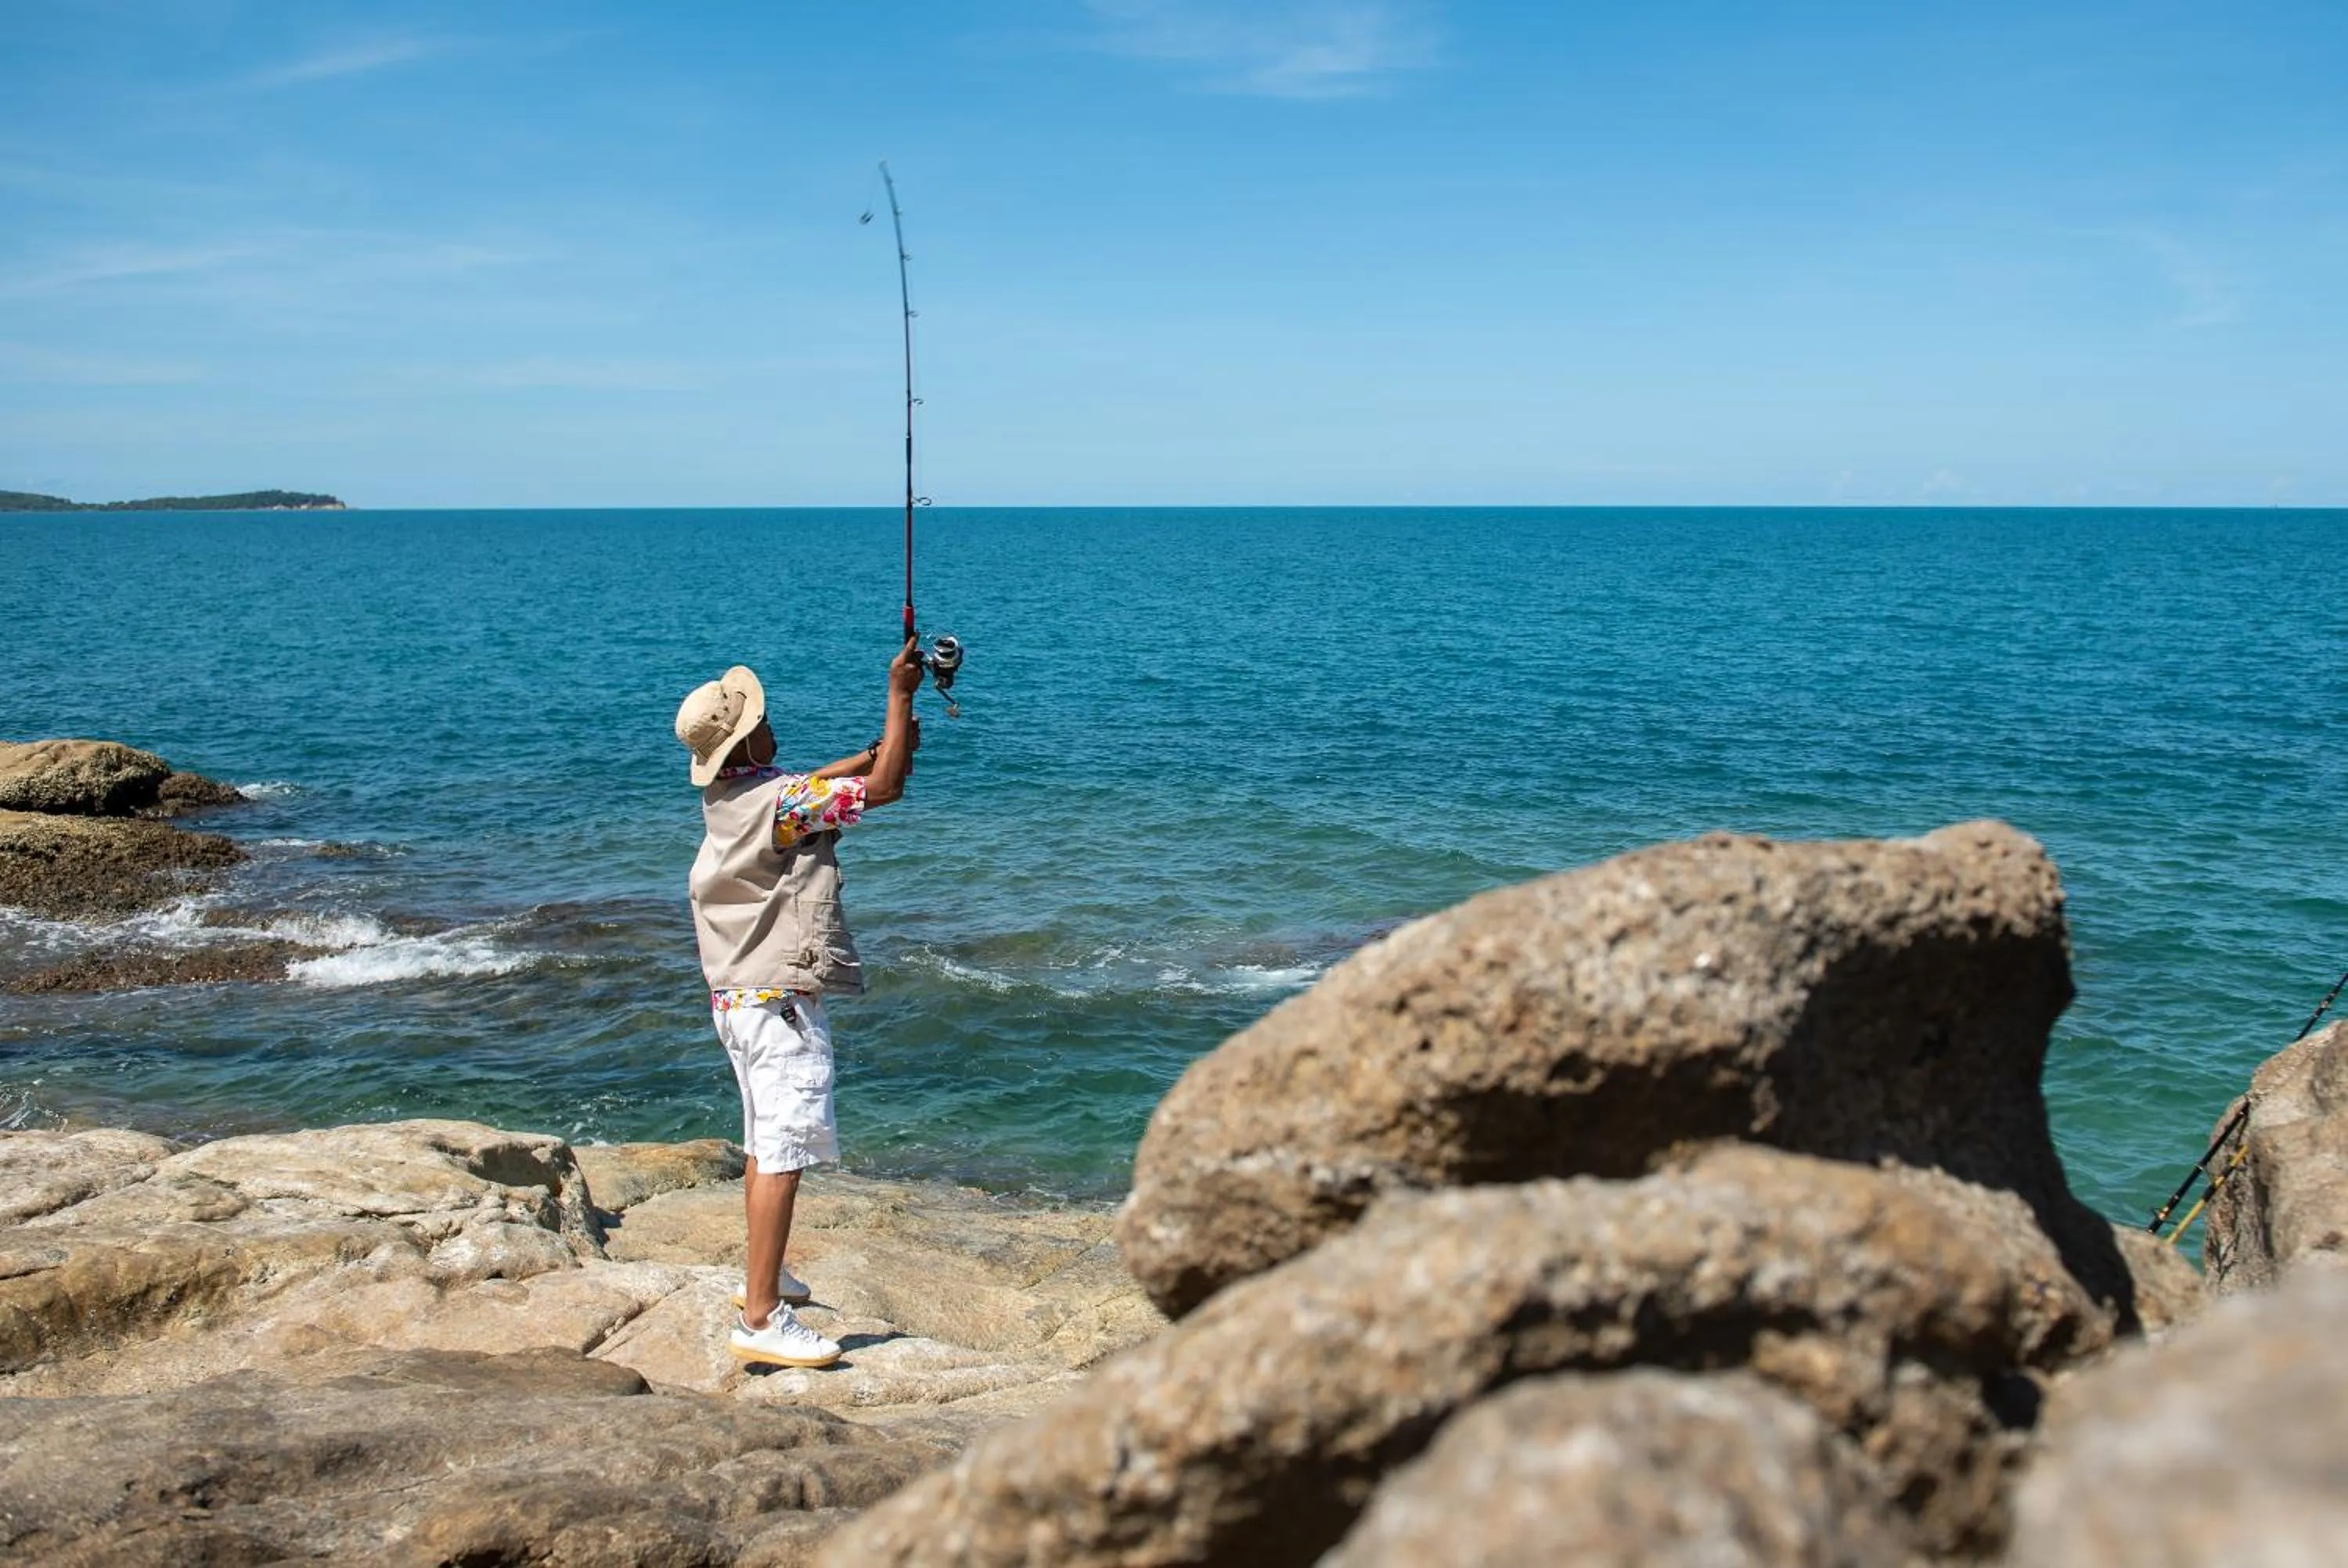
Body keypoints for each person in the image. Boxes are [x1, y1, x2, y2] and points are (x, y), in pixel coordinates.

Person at [673, 638, 923, 1369]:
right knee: (784, 1150)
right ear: (747, 739)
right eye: (761, 715)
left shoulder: (729, 798)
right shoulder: (781, 804)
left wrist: (859, 755)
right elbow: (886, 791)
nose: (771, 719)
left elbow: (799, 790)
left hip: (735, 999)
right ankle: (761, 1316)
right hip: (778, 1002)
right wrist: (900, 694)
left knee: (762, 1141)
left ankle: (767, 1272)